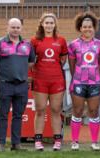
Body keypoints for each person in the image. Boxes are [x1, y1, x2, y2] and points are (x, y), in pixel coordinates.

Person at [0, 18, 35, 152]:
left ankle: (16, 144)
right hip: (5, 85)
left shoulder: (27, 45)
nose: (15, 30)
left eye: (18, 27)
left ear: (21, 29)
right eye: (13, 27)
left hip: (21, 86)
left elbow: (31, 62)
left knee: (18, 116)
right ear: (7, 28)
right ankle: (1, 144)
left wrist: (20, 72)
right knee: (2, 115)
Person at [30, 13, 68, 151]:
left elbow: (63, 59)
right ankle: (38, 141)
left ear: (55, 25)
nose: (49, 25)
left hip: (56, 80)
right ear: (42, 24)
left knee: (56, 110)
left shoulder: (61, 41)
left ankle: (57, 140)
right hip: (40, 80)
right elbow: (31, 61)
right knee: (40, 110)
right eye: (46, 23)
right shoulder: (34, 41)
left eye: (51, 23)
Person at [68, 12, 100, 151]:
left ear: (94, 27)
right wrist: (76, 78)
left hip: (94, 83)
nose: (87, 29)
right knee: (77, 111)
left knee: (93, 111)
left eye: (90, 26)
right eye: (84, 27)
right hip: (78, 82)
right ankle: (75, 142)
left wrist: (95, 75)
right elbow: (72, 65)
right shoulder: (73, 44)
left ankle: (94, 142)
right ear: (80, 28)